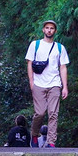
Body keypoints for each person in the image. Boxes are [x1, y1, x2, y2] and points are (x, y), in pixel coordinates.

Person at [25, 19, 69, 147]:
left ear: (55, 31)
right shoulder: (35, 45)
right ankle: (34, 134)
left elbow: (63, 67)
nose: (49, 30)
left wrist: (65, 86)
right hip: (38, 83)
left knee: (53, 113)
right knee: (40, 113)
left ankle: (51, 141)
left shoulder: (60, 47)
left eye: (52, 28)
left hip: (55, 83)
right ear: (43, 30)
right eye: (47, 28)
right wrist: (31, 82)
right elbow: (29, 63)